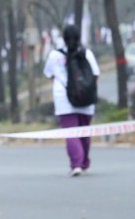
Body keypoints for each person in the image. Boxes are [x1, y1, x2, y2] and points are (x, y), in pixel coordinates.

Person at [43, 25, 100, 177]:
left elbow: (48, 74)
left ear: (64, 37)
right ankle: (84, 162)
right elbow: (96, 74)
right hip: (86, 98)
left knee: (71, 132)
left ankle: (76, 164)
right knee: (84, 131)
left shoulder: (55, 55)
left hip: (63, 98)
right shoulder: (87, 53)